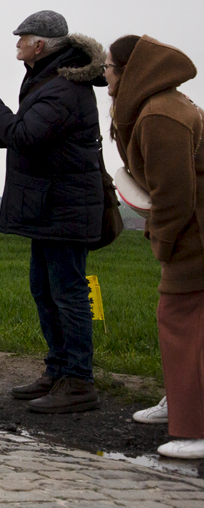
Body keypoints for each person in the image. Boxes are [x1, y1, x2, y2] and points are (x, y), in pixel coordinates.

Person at [0, 10, 105, 413]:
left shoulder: (64, 86)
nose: (16, 45)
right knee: (45, 291)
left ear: (39, 45)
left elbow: (25, 136)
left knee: (68, 295)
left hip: (64, 205)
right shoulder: (47, 78)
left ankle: (79, 382)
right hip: (49, 204)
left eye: (21, 39)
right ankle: (58, 370)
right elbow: (28, 130)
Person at [105, 35, 204, 457]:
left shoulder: (158, 115)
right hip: (193, 229)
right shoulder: (162, 104)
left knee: (183, 322)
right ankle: (180, 401)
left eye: (108, 67)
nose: (103, 74)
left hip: (195, 233)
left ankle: (195, 429)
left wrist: (162, 241)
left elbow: (175, 195)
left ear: (130, 72)